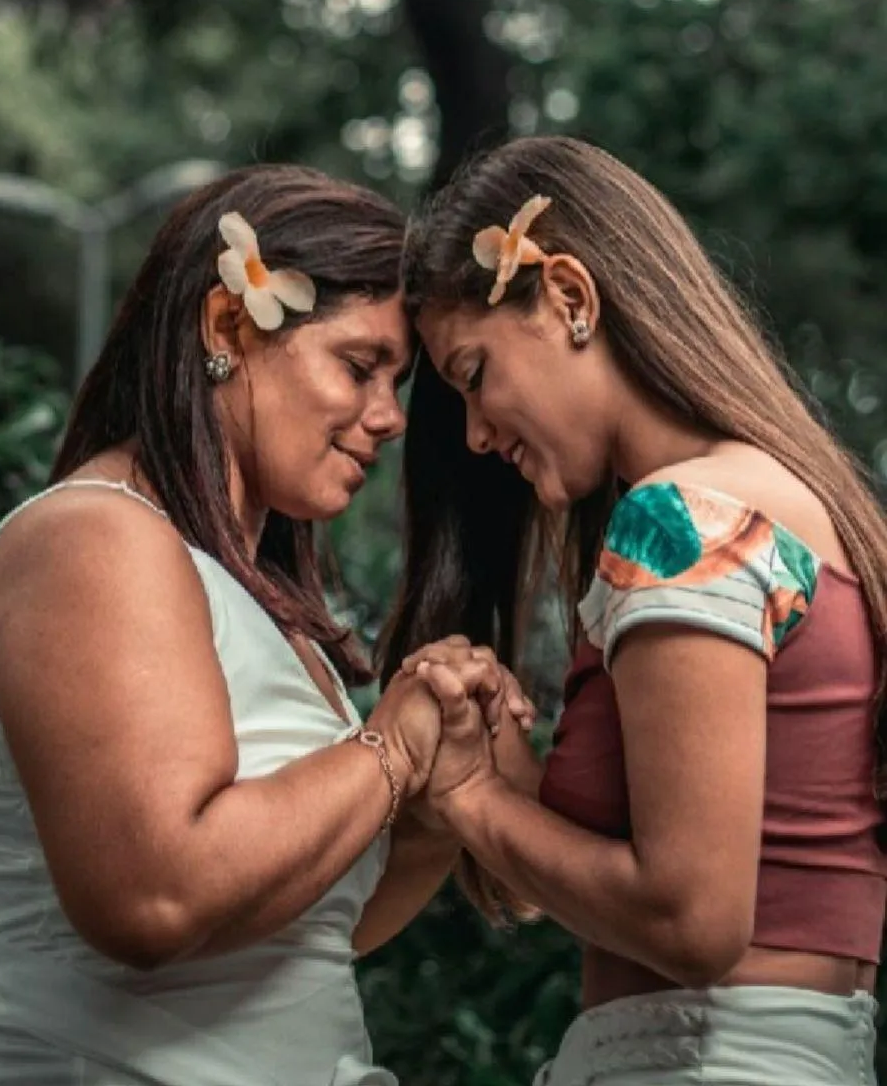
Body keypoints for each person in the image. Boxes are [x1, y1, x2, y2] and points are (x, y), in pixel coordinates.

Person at [0, 164, 515, 1086]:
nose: (389, 418)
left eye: (397, 383)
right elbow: (156, 900)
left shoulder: (255, 599)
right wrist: (389, 752)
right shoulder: (96, 538)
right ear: (228, 327)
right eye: (359, 367)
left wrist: (435, 803)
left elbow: (310, 923)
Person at [380, 135, 887, 1084]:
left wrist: (466, 798)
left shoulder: (682, 522)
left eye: (475, 376)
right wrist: (503, 767)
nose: (477, 434)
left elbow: (692, 922)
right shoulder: (788, 505)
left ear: (570, 298)